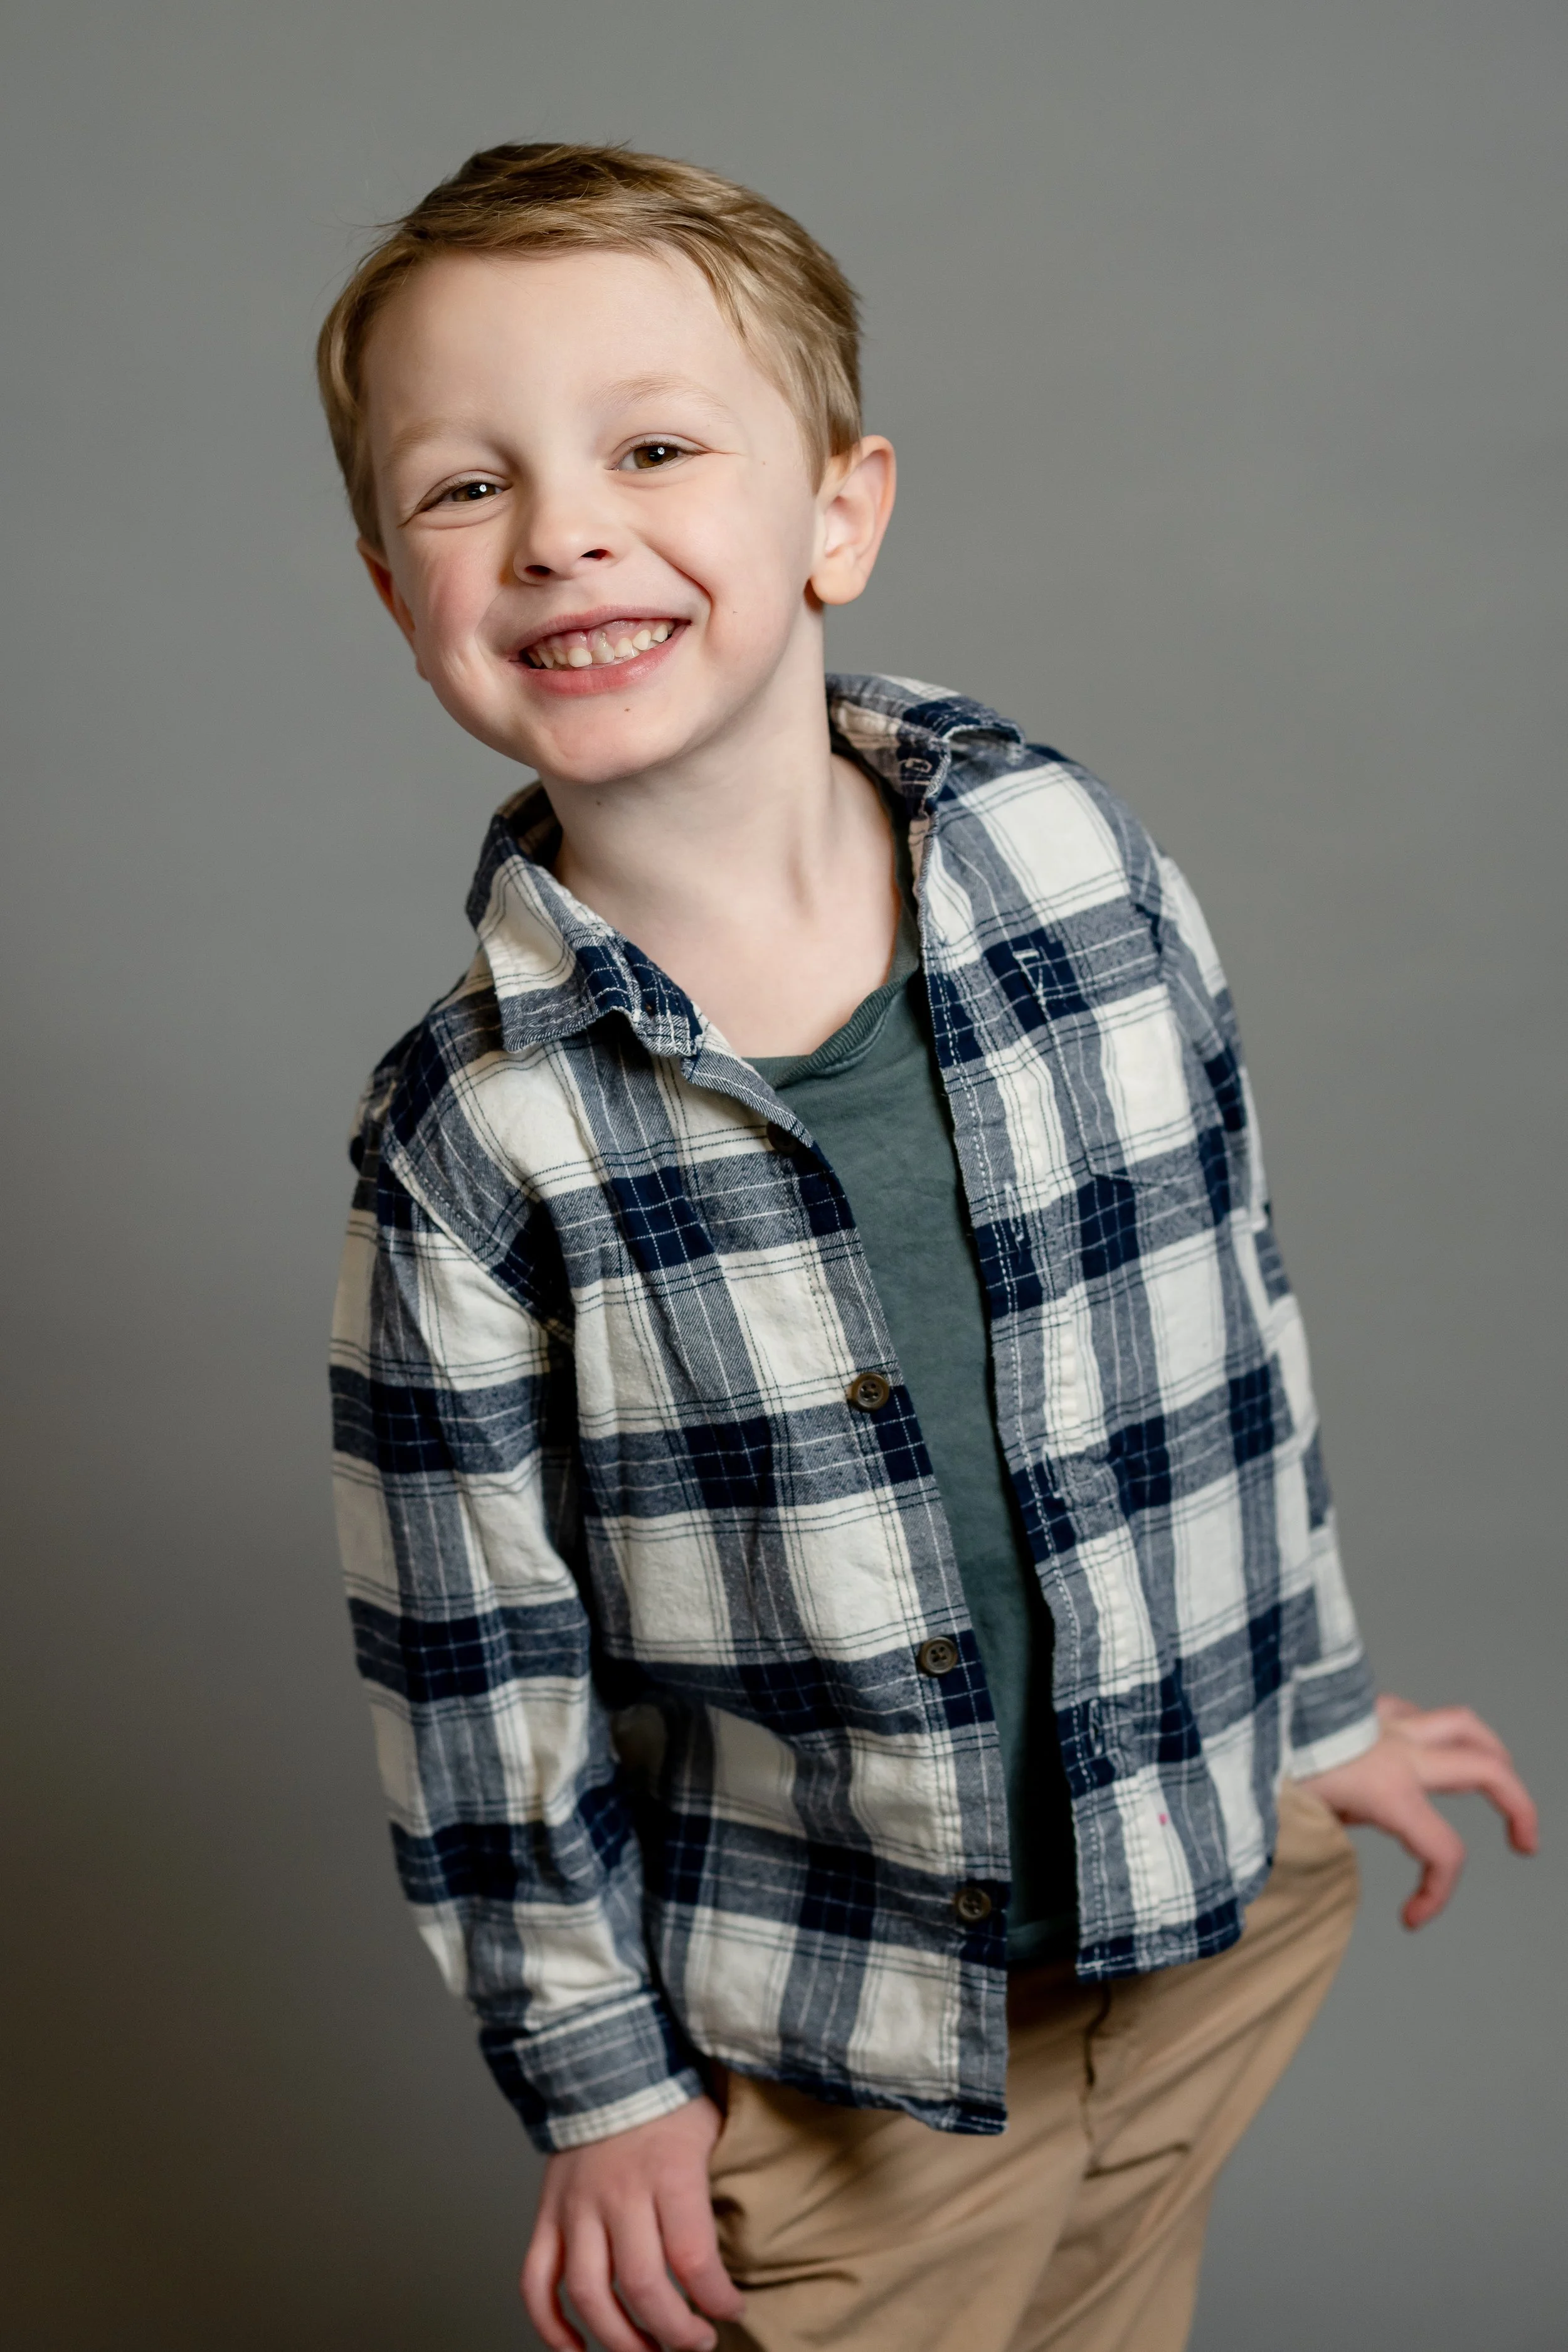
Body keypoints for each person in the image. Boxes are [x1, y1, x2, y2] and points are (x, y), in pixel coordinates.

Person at [319, 144, 1537, 2352]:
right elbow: (474, 1665)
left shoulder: (1069, 858)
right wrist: (599, 2088)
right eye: (458, 489)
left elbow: (1222, 1312)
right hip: (840, 2038)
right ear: (397, 592)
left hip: (1202, 1911)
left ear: (838, 515)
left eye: (653, 447)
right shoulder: (475, 1135)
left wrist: (1314, 1705)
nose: (563, 528)